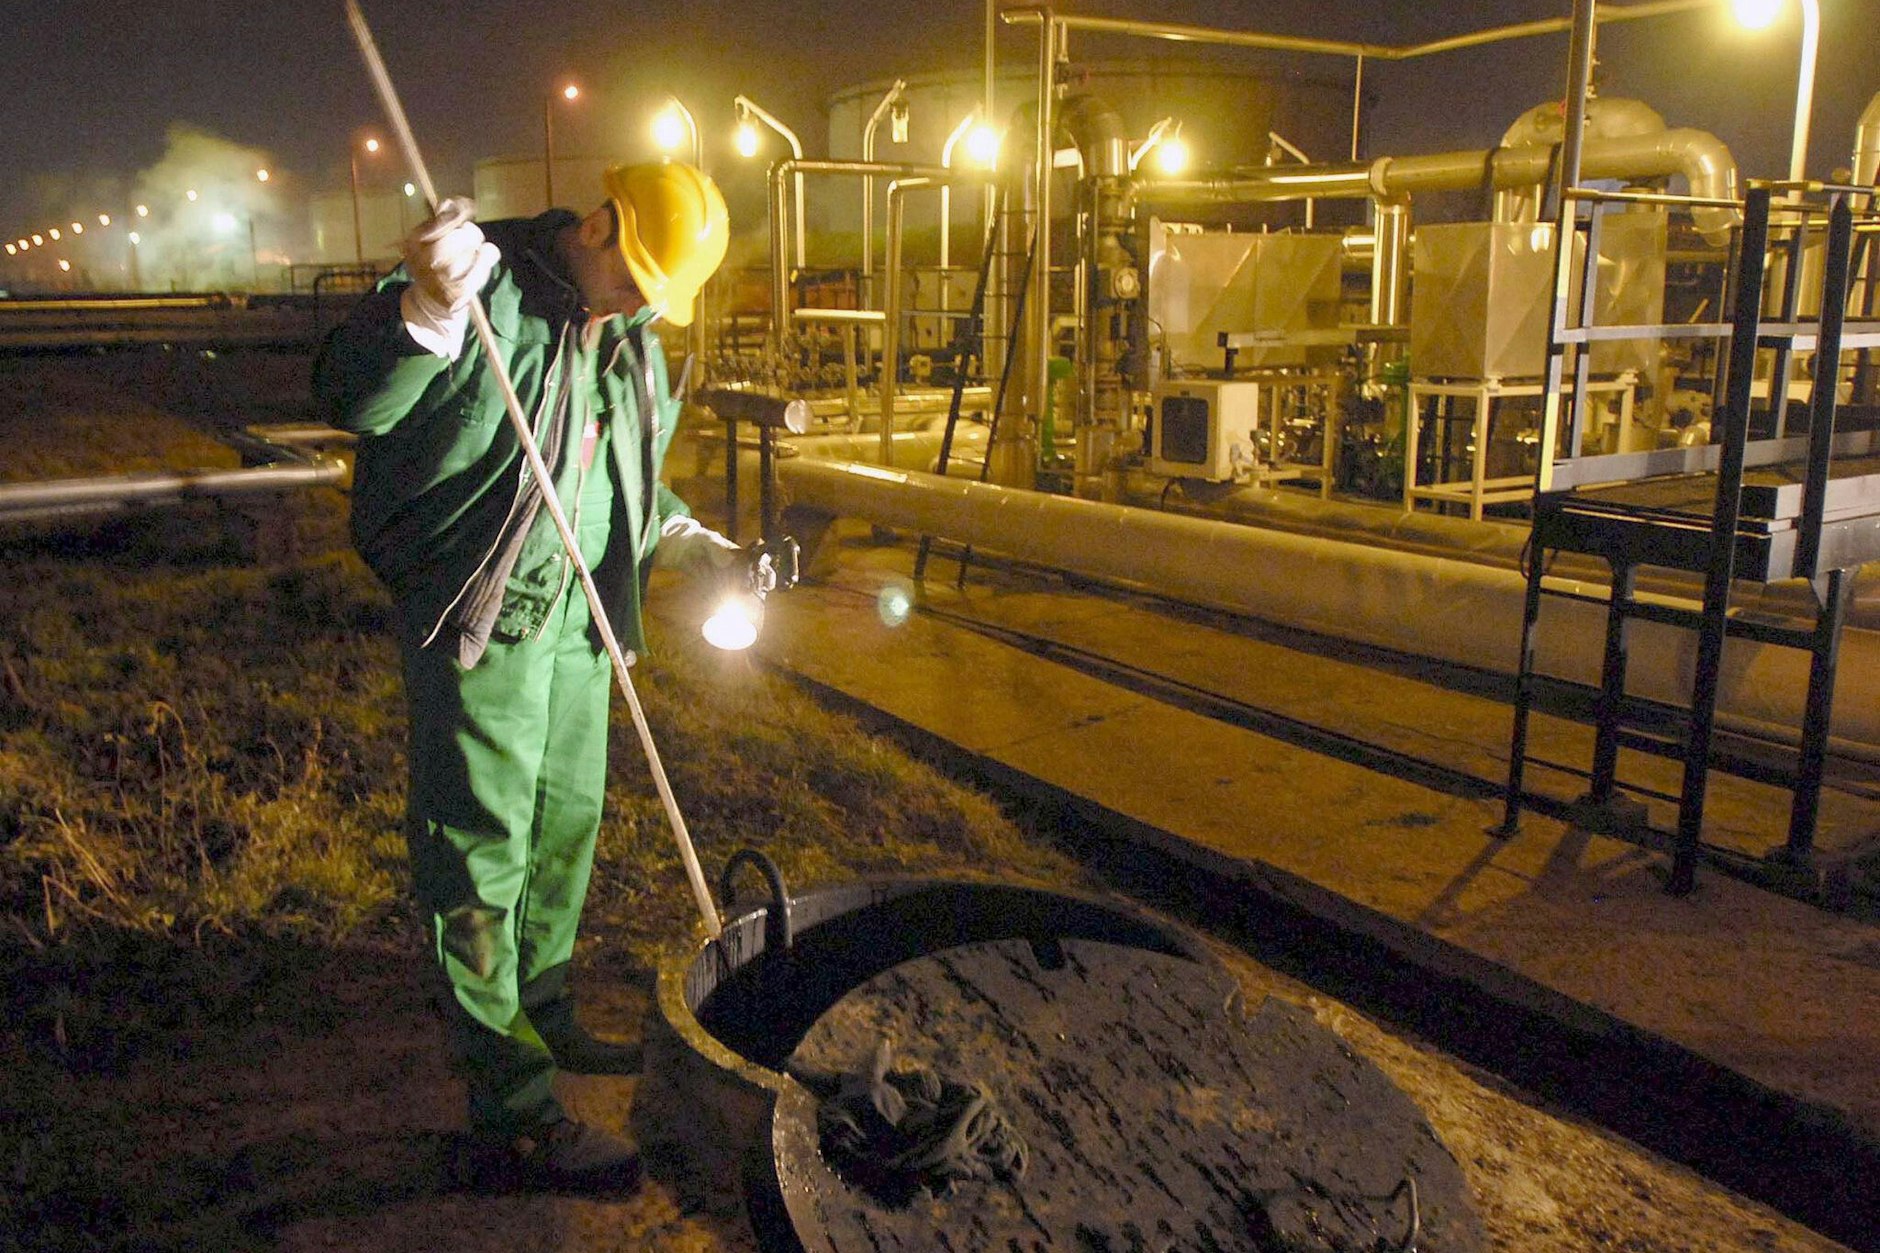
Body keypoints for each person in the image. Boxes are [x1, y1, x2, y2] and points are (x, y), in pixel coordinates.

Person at [312, 162, 739, 1192]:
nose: (643, 302)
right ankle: (510, 1107)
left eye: (655, 291)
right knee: (479, 857)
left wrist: (679, 528)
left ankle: (542, 1014)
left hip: (583, 625)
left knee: (563, 829)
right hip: (484, 619)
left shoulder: (627, 335)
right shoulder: (479, 285)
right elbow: (351, 396)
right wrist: (421, 308)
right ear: (596, 224)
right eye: (636, 275)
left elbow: (620, 461)